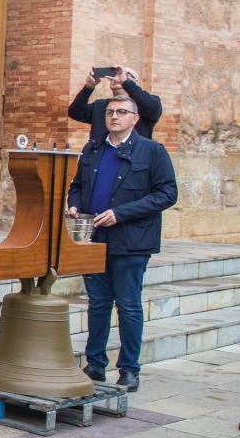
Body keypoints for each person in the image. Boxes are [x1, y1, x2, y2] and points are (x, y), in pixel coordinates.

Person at [66, 95, 178, 392]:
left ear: (135, 118)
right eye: (110, 112)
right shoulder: (93, 148)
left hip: (131, 242)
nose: (114, 116)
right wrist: (75, 205)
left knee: (128, 306)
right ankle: (95, 364)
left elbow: (167, 193)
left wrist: (121, 214)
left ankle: (129, 369)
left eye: (122, 112)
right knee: (98, 304)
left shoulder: (152, 151)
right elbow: (76, 186)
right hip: (95, 239)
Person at [69, 66, 163, 140]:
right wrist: (88, 87)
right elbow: (75, 112)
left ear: (136, 83)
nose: (119, 77)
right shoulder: (100, 105)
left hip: (134, 160)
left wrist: (126, 83)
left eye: (127, 75)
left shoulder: (147, 104)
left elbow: (153, 108)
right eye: (115, 74)